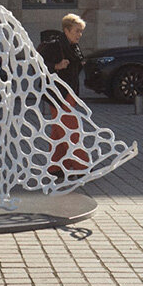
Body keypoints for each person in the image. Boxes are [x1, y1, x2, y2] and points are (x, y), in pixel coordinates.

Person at [39, 13, 87, 174]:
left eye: (81, 31)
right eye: (76, 31)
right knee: (70, 129)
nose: (79, 35)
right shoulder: (54, 45)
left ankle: (56, 166)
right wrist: (57, 66)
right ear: (66, 30)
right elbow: (38, 65)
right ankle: (81, 166)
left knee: (59, 131)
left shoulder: (73, 46)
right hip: (57, 94)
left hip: (69, 93)